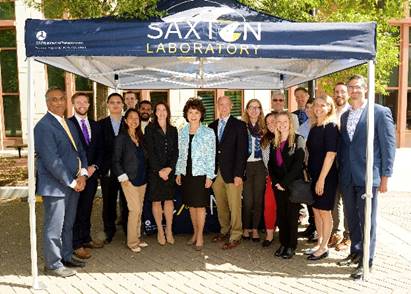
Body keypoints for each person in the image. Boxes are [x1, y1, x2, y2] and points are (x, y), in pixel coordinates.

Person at [338, 75, 396, 279]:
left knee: (367, 220)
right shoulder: (345, 116)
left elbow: (388, 145)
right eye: (350, 87)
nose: (354, 90)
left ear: (366, 89)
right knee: (351, 218)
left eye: (357, 87)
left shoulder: (379, 112)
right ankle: (355, 251)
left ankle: (366, 260)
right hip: (347, 177)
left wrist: (386, 176)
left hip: (368, 176)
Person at [35, 87, 88, 277]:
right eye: (53, 100)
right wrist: (72, 182)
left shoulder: (69, 123)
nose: (58, 103)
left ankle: (66, 255)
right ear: (47, 102)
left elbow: (80, 151)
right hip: (55, 186)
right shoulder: (43, 126)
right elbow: (52, 160)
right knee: (54, 227)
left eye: (61, 99)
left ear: (66, 101)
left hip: (74, 183)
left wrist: (82, 174)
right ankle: (53, 265)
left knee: (68, 224)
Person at [175, 98, 216, 251]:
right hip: (187, 173)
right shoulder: (182, 131)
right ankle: (194, 233)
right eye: (190, 112)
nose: (193, 115)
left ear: (201, 114)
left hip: (201, 174)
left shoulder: (208, 132)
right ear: (186, 114)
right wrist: (178, 172)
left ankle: (200, 237)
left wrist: (210, 176)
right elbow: (180, 154)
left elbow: (212, 155)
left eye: (196, 112)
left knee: (200, 206)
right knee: (191, 206)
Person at [209, 96, 248, 250]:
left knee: (235, 206)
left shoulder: (239, 125)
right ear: (217, 106)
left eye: (226, 104)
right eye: (221, 104)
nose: (223, 107)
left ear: (231, 106)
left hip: (233, 174)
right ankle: (224, 230)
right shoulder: (211, 126)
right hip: (216, 174)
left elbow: (242, 151)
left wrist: (239, 174)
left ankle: (236, 235)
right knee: (221, 205)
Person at [69, 93, 104, 260]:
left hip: (91, 175)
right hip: (75, 176)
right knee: (75, 210)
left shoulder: (95, 125)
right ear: (73, 104)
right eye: (78, 102)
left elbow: (100, 150)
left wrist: (94, 167)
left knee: (87, 208)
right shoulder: (68, 125)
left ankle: (86, 238)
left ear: (89, 104)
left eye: (84, 101)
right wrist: (80, 169)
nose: (82, 104)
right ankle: (76, 244)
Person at [305, 95, 339, 261]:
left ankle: (325, 247)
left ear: (329, 107)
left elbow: (331, 154)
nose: (318, 108)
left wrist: (321, 179)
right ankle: (319, 243)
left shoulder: (331, 126)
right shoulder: (314, 127)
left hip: (326, 177)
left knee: (325, 212)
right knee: (316, 211)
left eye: (322, 105)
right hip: (314, 176)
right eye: (316, 105)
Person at [268, 111, 305, 259]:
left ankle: (291, 246)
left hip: (292, 185)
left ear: (290, 123)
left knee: (291, 216)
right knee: (281, 215)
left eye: (285, 122)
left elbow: (298, 165)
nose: (282, 125)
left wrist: (284, 183)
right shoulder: (274, 142)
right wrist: (276, 182)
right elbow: (271, 164)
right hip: (278, 186)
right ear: (276, 125)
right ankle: (283, 243)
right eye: (279, 122)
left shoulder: (298, 139)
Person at [113, 109, 148, 253]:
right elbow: (115, 161)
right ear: (126, 121)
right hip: (129, 180)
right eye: (131, 118)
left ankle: (138, 237)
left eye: (136, 118)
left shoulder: (141, 137)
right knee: (135, 210)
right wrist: (123, 177)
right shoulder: (121, 138)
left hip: (142, 179)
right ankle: (132, 242)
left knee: (139, 210)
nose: (134, 120)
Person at [145, 101, 178, 245]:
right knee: (157, 201)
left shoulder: (173, 129)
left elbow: (176, 151)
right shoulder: (150, 129)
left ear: (168, 112)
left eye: (164, 109)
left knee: (169, 201)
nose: (161, 112)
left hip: (169, 171)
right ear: (155, 112)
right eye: (158, 109)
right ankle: (160, 230)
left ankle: (169, 230)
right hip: (155, 172)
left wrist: (169, 168)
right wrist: (159, 170)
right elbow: (150, 152)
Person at [98, 93, 127, 243]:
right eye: (112, 102)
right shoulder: (101, 124)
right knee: (108, 202)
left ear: (123, 105)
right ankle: (109, 230)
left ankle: (129, 230)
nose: (115, 105)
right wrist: (101, 168)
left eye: (118, 102)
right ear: (107, 105)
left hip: (125, 171)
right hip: (108, 171)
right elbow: (98, 149)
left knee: (127, 201)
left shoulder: (128, 123)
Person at [329, 83, 351, 251]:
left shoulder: (351, 113)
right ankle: (336, 232)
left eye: (342, 92)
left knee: (348, 200)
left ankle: (348, 235)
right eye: (336, 92)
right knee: (334, 200)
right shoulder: (331, 112)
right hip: (332, 164)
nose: (339, 95)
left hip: (346, 164)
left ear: (348, 94)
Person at [241, 99, 266, 242]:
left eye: (257, 107)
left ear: (260, 110)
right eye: (251, 107)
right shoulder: (241, 126)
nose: (254, 110)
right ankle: (245, 228)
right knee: (248, 201)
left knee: (258, 200)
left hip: (260, 166)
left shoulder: (265, 127)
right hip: (246, 166)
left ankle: (255, 229)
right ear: (247, 109)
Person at [261, 112, 276, 247]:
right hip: (271, 177)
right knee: (269, 206)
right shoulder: (265, 140)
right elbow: (266, 162)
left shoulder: (289, 138)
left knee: (285, 208)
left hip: (287, 179)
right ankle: (269, 234)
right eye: (268, 123)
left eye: (273, 121)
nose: (271, 125)